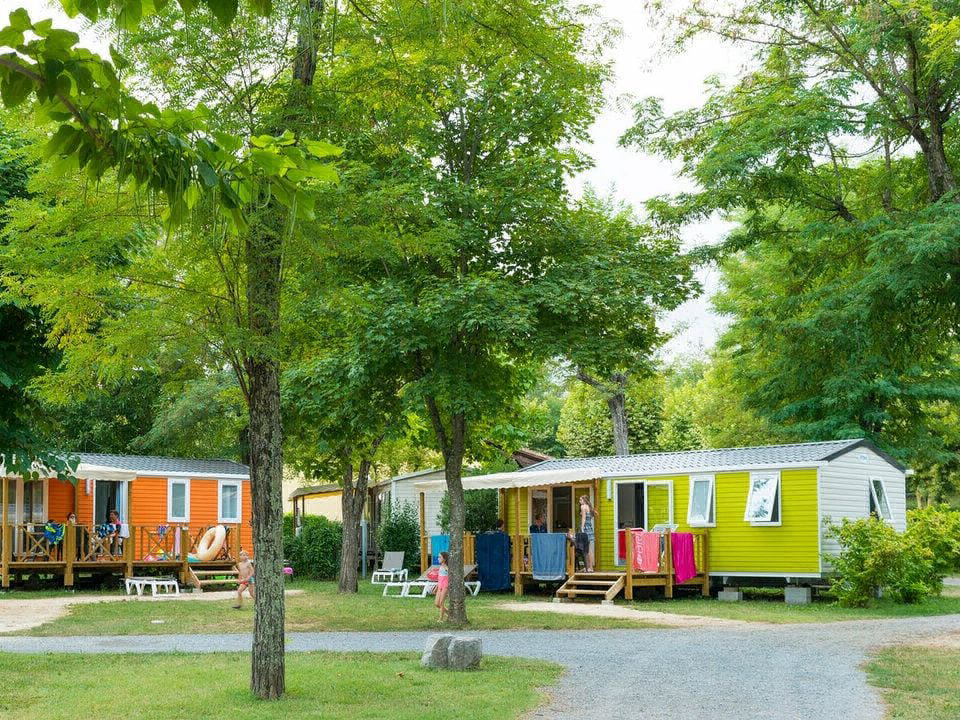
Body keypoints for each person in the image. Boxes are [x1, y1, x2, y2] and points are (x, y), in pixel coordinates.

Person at [579, 495, 596, 572]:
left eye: (581, 500)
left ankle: (589, 567)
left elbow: (584, 518)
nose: (579, 501)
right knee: (589, 549)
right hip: (590, 528)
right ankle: (590, 567)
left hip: (586, 528)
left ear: (584, 500)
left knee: (587, 550)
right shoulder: (589, 507)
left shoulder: (583, 507)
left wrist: (582, 528)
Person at [434, 551, 449, 622]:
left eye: (440, 557)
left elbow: (450, 576)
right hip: (440, 586)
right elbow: (439, 578)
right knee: (437, 604)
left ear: (444, 559)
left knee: (441, 603)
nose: (438, 558)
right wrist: (436, 587)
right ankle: (450, 613)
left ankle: (440, 619)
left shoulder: (446, 567)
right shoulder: (440, 567)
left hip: (445, 587)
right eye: (438, 557)